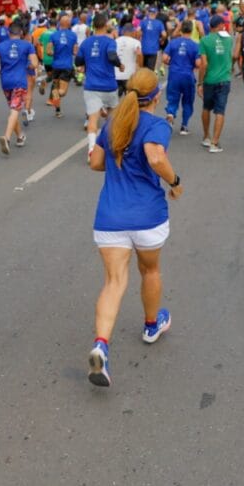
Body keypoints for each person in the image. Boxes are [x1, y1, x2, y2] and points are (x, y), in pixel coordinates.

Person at [85, 69, 181, 387]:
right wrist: (175, 181)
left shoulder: (114, 123)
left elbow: (95, 163)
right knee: (150, 271)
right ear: (156, 96)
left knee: (113, 282)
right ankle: (152, 325)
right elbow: (155, 157)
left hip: (111, 215)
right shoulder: (156, 125)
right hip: (147, 216)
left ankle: (101, 344)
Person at [75, 13, 123, 158]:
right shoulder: (110, 41)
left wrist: (85, 64)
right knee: (113, 119)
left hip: (91, 86)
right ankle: (112, 147)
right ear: (105, 25)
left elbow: (78, 61)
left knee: (93, 120)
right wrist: (120, 65)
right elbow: (112, 56)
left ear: (94, 26)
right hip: (109, 85)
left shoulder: (86, 43)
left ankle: (91, 150)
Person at [0, 22, 37, 154]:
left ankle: (20, 136)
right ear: (21, 33)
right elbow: (35, 63)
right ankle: (7, 137)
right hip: (20, 81)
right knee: (15, 109)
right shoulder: (27, 45)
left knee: (12, 109)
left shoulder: (0, 46)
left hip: (6, 82)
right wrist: (28, 66)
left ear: (9, 33)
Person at [196, 15, 233, 152]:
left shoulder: (204, 41)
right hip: (224, 79)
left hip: (209, 80)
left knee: (206, 108)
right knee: (220, 110)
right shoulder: (228, 39)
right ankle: (215, 143)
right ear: (219, 26)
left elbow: (203, 64)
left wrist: (200, 82)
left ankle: (206, 136)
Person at [162, 20, 201, 135]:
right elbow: (198, 63)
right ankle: (184, 125)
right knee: (188, 101)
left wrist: (172, 63)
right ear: (192, 30)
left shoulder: (173, 43)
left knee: (172, 97)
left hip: (174, 74)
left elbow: (164, 58)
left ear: (181, 29)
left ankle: (170, 114)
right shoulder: (195, 45)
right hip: (188, 76)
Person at [47, 15, 78, 118]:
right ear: (69, 24)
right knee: (62, 92)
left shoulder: (53, 35)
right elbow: (75, 51)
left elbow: (48, 51)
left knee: (56, 88)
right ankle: (55, 94)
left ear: (59, 24)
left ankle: (58, 111)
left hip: (56, 65)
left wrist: (55, 52)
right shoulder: (73, 36)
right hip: (66, 65)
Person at [115, 23, 143, 97]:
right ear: (133, 31)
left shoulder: (116, 41)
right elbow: (139, 53)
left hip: (116, 75)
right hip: (129, 76)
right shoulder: (136, 42)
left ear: (123, 31)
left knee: (114, 101)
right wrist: (139, 66)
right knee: (129, 99)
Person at [139, 6, 166, 70]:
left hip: (143, 48)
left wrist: (138, 39)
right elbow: (164, 34)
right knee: (150, 70)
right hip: (153, 49)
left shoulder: (143, 22)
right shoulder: (159, 23)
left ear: (148, 13)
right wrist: (162, 40)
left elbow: (137, 31)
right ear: (156, 14)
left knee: (143, 69)